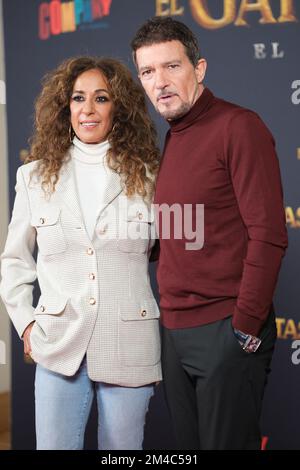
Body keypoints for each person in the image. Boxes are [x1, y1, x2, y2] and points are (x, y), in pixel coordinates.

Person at [131, 17, 288, 450]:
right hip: (175, 332)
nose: (159, 82)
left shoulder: (238, 127)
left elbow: (270, 233)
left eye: (171, 67)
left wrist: (243, 327)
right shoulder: (175, 136)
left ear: (198, 69)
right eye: (147, 71)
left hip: (224, 330)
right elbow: (185, 231)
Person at [0, 56, 162, 450]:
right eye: (77, 98)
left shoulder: (150, 174)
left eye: (101, 98)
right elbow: (14, 261)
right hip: (57, 344)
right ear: (65, 107)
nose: (88, 109)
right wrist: (24, 323)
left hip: (128, 342)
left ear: (118, 108)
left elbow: (167, 250)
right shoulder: (34, 176)